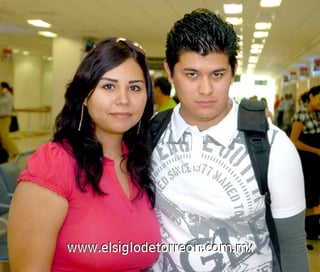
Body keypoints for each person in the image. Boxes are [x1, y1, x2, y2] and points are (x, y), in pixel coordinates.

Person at [150, 8, 309, 272]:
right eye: (191, 74)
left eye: (217, 74)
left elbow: (292, 247)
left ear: (233, 70)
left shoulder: (273, 146)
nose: (205, 89)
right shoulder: (149, 136)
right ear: (169, 71)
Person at [8, 37, 161, 271]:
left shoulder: (137, 163)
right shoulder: (55, 163)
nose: (124, 99)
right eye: (108, 86)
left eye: (135, 88)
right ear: (85, 96)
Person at [290, 85, 320, 242]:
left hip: (316, 161)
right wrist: (316, 151)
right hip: (306, 160)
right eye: (319, 99)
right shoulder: (302, 113)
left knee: (314, 195)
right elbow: (294, 141)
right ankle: (306, 230)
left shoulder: (317, 113)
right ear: (311, 97)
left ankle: (313, 229)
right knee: (308, 194)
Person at [0, 81, 19, 160]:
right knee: (1, 137)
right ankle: (6, 153)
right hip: (0, 118)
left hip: (5, 118)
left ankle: (16, 152)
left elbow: (3, 103)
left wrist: (4, 93)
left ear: (4, 88)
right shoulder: (2, 96)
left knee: (4, 136)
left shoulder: (8, 96)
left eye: (0, 87)